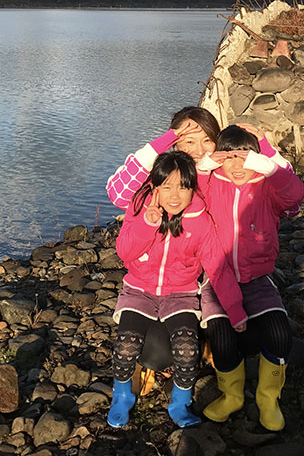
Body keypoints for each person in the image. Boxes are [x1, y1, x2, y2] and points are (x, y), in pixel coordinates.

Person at [108, 150, 247, 429]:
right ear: (154, 187)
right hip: (139, 291)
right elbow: (124, 252)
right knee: (126, 345)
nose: (175, 195)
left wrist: (235, 309)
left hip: (181, 294)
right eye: (167, 186)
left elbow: (218, 267)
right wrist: (148, 224)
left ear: (192, 188)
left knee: (187, 348)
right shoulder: (139, 207)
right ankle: (122, 396)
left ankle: (180, 402)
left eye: (183, 187)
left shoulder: (200, 220)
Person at [196, 124, 304, 431]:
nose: (237, 165)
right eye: (228, 157)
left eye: (244, 157)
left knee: (280, 335)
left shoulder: (266, 187)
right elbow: (192, 189)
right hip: (217, 279)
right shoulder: (211, 184)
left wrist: (268, 160)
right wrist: (205, 165)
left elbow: (295, 195)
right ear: (219, 160)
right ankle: (231, 395)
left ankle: (268, 398)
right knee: (222, 338)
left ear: (256, 159)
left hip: (258, 278)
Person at [106, 106, 221, 211]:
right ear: (175, 145)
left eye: (207, 140)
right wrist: (163, 141)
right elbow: (120, 198)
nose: (200, 151)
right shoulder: (164, 179)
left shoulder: (223, 175)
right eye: (190, 142)